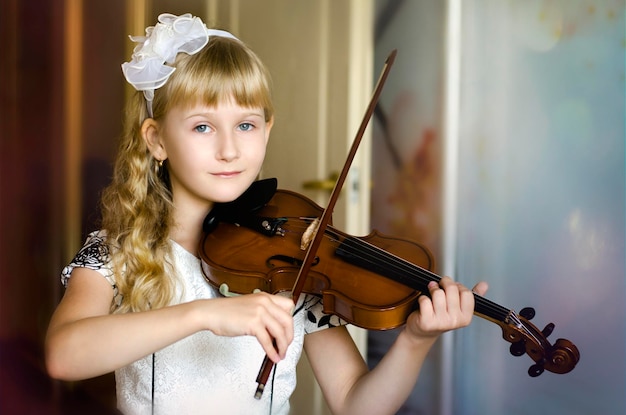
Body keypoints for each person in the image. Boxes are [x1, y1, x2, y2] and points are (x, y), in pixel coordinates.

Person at [45, 13, 488, 415]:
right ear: (157, 140)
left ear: (266, 129)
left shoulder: (295, 263)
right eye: (202, 126)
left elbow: (357, 403)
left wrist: (414, 341)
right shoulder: (121, 252)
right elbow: (64, 355)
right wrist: (203, 314)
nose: (229, 148)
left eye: (246, 124)